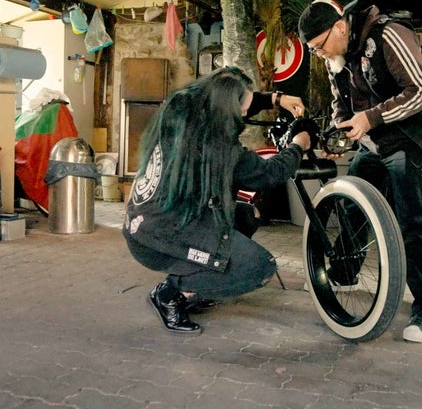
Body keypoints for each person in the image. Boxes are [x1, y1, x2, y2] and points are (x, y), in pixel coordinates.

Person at [298, 0, 422, 343]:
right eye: (313, 50)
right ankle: (346, 271)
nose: (319, 54)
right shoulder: (334, 57)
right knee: (352, 203)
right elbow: (339, 103)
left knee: (415, 224)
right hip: (375, 142)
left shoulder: (389, 34)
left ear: (339, 27)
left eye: (319, 46)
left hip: (413, 139)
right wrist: (340, 129)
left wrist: (370, 118)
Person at [122, 66, 311, 335]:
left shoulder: (182, 106)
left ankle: (195, 281)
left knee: (246, 216)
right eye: (241, 112)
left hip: (144, 223)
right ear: (226, 109)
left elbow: (238, 99)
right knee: (258, 267)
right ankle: (172, 293)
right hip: (157, 240)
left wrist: (275, 99)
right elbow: (271, 172)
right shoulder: (217, 147)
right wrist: (299, 144)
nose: (245, 115)